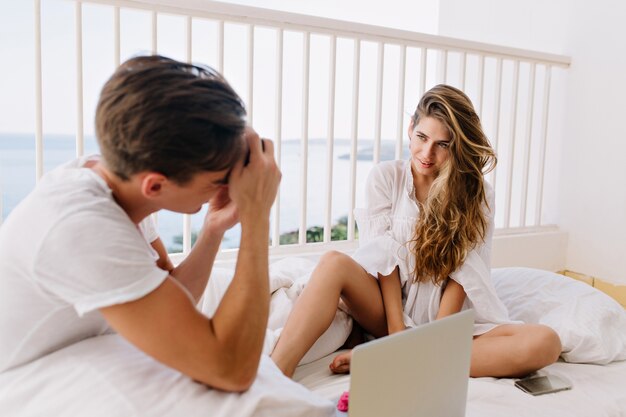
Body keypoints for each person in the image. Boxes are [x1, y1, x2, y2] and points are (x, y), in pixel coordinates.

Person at [0, 55, 281, 392]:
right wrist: (256, 218)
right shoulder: (84, 225)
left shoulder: (115, 181)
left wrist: (213, 230)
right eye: (218, 180)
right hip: (23, 381)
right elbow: (231, 370)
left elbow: (173, 297)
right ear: (156, 185)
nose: (228, 188)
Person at [271, 84, 562, 379]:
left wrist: (431, 339)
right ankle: (277, 374)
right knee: (333, 262)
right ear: (410, 128)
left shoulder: (479, 194)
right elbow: (384, 262)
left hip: (446, 322)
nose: (427, 153)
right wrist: (398, 335)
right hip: (388, 311)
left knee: (546, 342)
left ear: (457, 146)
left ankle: (404, 359)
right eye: (422, 137)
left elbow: (464, 276)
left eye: (443, 144)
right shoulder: (386, 177)